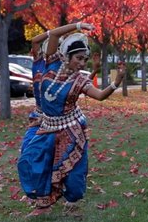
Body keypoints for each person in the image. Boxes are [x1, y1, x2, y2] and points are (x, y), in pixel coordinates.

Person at [18, 22, 126, 218]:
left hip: (70, 130)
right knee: (31, 160)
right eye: (79, 58)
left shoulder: (80, 80)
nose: (82, 63)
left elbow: (100, 95)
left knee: (73, 173)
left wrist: (116, 82)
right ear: (66, 57)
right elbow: (52, 36)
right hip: (47, 126)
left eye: (85, 59)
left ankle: (70, 200)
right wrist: (77, 25)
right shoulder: (51, 65)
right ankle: (43, 203)